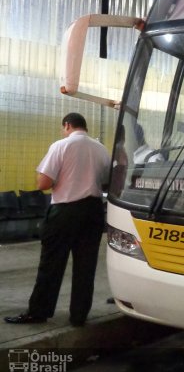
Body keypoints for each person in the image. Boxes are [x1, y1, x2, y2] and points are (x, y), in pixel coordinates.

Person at [4, 113, 110, 326]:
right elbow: (107, 181)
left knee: (51, 264)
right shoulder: (102, 150)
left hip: (65, 211)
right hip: (93, 212)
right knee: (85, 267)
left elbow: (43, 182)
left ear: (67, 125)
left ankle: (39, 312)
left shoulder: (61, 146)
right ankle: (79, 316)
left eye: (63, 128)